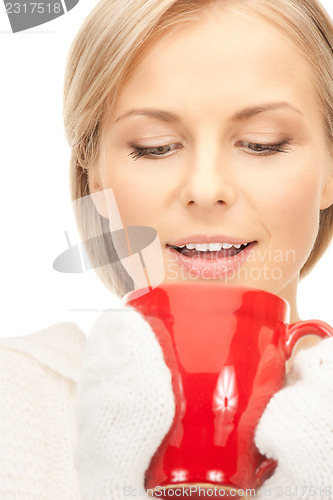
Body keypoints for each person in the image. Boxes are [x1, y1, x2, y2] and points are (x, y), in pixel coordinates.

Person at [1, 0, 333, 498]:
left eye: (262, 143)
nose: (204, 188)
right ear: (97, 183)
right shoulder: (18, 398)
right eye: (155, 146)